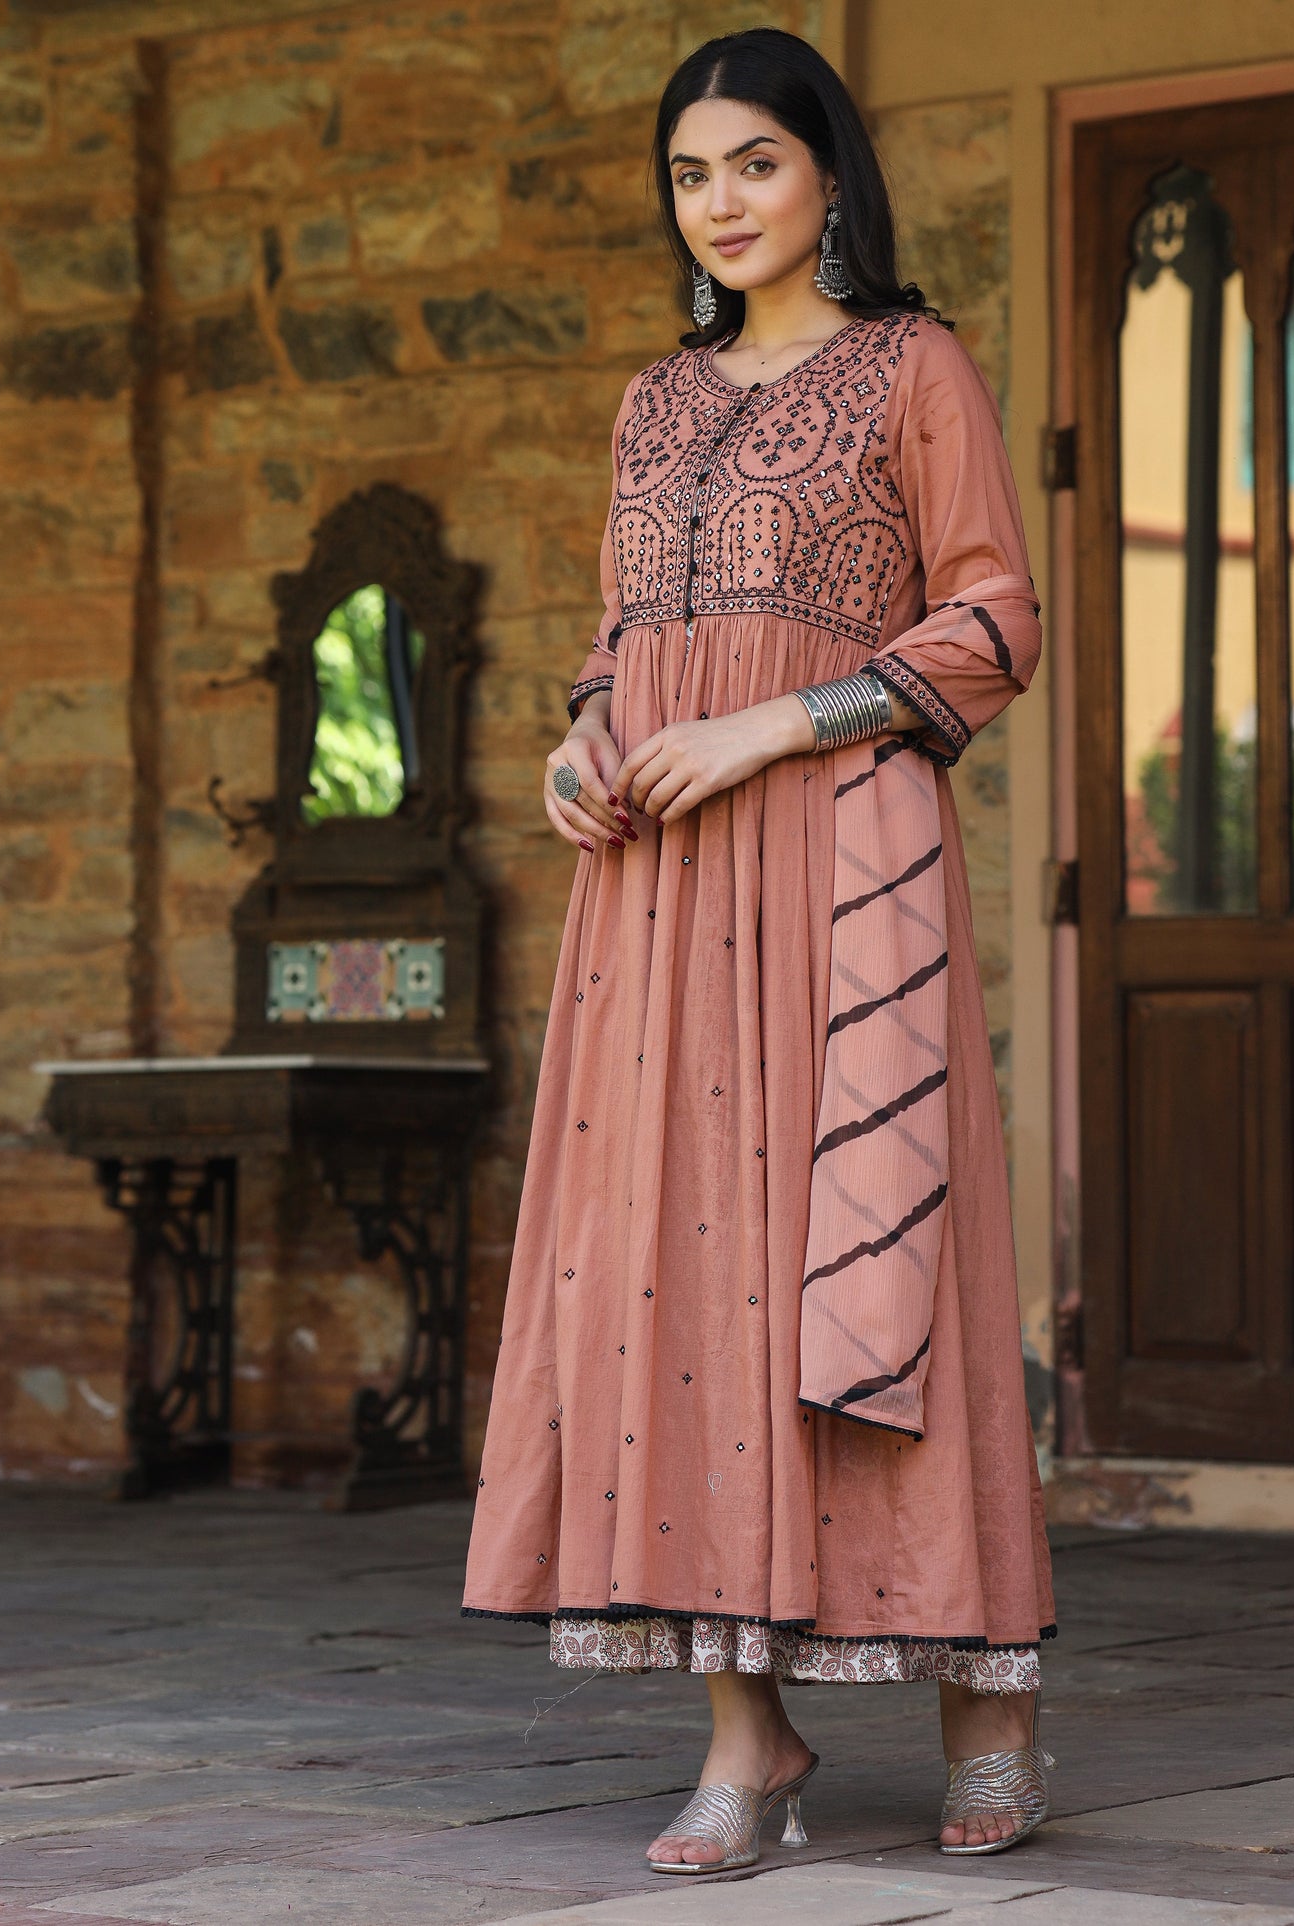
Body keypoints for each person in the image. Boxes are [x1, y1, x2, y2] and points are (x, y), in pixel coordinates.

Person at [462, 24, 1056, 1873]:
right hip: (655, 892)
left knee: (883, 1249)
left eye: (753, 163)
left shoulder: (910, 366)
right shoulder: (654, 400)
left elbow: (995, 621)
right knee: (682, 1270)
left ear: (825, 173)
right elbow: (623, 633)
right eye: (688, 174)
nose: (718, 204)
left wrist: (775, 725)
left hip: (839, 871)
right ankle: (747, 1733)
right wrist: (581, 738)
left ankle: (990, 1706)